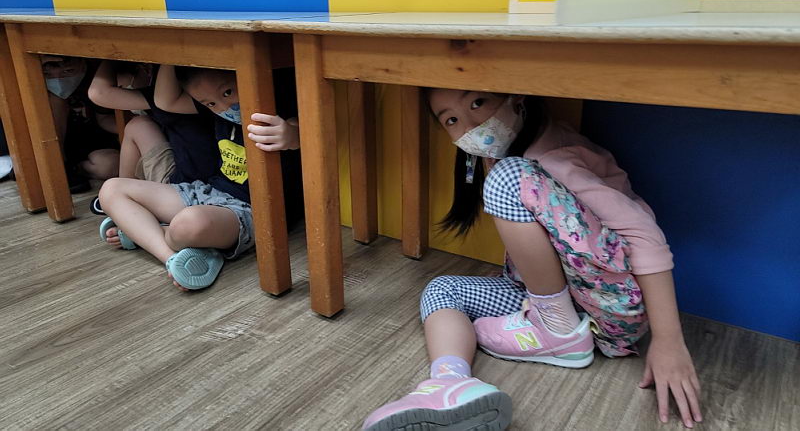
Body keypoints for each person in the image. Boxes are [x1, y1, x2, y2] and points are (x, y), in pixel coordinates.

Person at [362, 90, 702, 430]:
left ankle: (556, 329)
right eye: (451, 119)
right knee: (442, 290)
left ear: (516, 97)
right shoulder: (503, 155)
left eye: (477, 103)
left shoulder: (552, 156)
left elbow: (644, 235)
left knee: (507, 177)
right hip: (564, 301)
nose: (469, 125)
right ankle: (449, 383)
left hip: (611, 307)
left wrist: (668, 340)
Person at [97, 64, 303, 291]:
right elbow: (165, 100)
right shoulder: (218, 112)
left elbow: (297, 133)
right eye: (211, 104)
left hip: (251, 210)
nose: (224, 106)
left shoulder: (276, 109)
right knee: (111, 188)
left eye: (228, 92)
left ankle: (143, 232)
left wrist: (289, 135)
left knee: (186, 224)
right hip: (210, 192)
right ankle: (171, 258)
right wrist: (171, 56)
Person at [87, 61, 219, 214]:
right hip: (196, 176)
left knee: (137, 126)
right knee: (139, 125)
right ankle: (123, 197)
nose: (127, 90)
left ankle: (123, 200)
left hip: (185, 186)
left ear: (146, 69)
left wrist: (112, 57)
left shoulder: (165, 98)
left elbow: (98, 92)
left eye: (124, 87)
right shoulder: (197, 94)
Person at [41, 56, 120, 192]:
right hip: (55, 143)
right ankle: (61, 166)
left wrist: (127, 130)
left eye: (68, 71)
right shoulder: (36, 85)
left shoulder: (95, 80)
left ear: (83, 64)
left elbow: (103, 118)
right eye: (48, 74)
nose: (58, 80)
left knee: (110, 166)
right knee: (57, 99)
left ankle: (76, 168)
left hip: (92, 141)